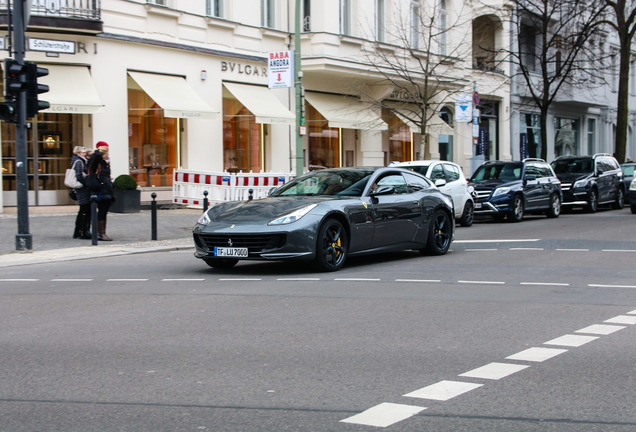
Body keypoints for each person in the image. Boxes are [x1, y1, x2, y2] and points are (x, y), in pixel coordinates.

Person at [87, 141, 114, 241]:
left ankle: (102, 232)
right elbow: (94, 158)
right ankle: (100, 233)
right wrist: (99, 151)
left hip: (106, 189)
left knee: (104, 211)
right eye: (107, 152)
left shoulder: (105, 163)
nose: (108, 154)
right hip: (100, 190)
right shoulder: (96, 161)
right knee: (101, 211)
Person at [71, 146, 91, 239]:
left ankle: (78, 231)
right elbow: (79, 176)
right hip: (82, 189)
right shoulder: (79, 162)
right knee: (84, 210)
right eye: (83, 152)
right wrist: (86, 184)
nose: (85, 154)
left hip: (82, 189)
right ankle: (81, 231)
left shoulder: (79, 160)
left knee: (83, 210)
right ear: (78, 153)